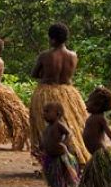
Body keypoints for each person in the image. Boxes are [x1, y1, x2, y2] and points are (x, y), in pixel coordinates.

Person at [30, 23, 90, 164]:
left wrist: (46, 74)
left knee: (45, 127)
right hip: (69, 93)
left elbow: (34, 74)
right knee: (75, 126)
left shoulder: (45, 55)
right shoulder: (73, 56)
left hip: (47, 93)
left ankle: (53, 161)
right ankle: (77, 156)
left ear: (52, 39)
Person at [33, 102, 80, 187]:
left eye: (47, 111)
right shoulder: (47, 128)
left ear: (58, 113)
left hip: (60, 156)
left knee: (61, 175)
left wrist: (64, 143)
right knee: (54, 175)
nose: (44, 114)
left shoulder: (59, 125)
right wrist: (40, 148)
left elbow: (69, 133)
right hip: (51, 156)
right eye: (44, 112)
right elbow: (44, 140)